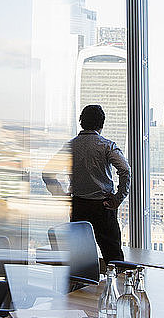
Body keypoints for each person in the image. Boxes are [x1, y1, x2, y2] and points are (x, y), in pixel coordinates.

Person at [43, 104, 131, 264]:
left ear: (81, 122)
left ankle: (80, 288)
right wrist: (118, 198)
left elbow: (47, 173)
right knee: (114, 257)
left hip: (79, 206)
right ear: (101, 124)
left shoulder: (70, 146)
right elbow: (125, 170)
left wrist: (61, 195)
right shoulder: (107, 146)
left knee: (79, 259)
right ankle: (117, 287)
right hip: (103, 207)